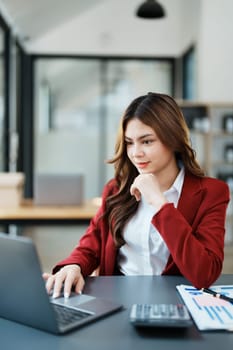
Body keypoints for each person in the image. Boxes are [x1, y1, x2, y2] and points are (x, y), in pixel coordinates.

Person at [43, 92, 230, 298]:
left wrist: (160, 203)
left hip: (178, 304)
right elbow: (92, 244)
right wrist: (73, 265)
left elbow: (205, 273)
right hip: (118, 301)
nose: (135, 153)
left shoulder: (211, 192)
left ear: (173, 140)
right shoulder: (117, 189)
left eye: (147, 141)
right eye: (130, 142)